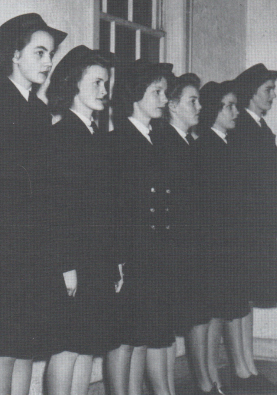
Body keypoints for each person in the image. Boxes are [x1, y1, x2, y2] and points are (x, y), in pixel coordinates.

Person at [0, 13, 66, 395]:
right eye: (39, 52)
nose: (47, 62)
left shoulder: (40, 111)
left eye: (51, 54)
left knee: (28, 348)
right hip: (2, 252)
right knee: (2, 352)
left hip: (36, 250)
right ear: (14, 55)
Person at [44, 46, 120, 395]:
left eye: (107, 83)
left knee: (88, 346)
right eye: (98, 83)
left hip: (98, 260)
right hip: (75, 261)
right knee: (67, 348)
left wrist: (115, 261)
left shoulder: (96, 136)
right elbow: (59, 208)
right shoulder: (63, 136)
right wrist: (65, 265)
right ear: (74, 83)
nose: (105, 91)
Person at [107, 61, 175, 395]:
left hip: (155, 253)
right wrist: (118, 259)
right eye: (157, 92)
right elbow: (115, 207)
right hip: (131, 254)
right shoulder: (119, 139)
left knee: (144, 338)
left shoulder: (155, 138)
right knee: (125, 340)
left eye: (164, 92)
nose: (164, 99)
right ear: (135, 96)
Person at [227, 64, 277, 394]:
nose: (273, 95)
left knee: (247, 298)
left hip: (259, 227)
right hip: (244, 229)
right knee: (239, 298)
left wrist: (274, 228)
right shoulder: (242, 129)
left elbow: (269, 186)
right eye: (268, 89)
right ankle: (240, 370)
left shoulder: (259, 128)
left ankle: (248, 366)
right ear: (252, 93)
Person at [151, 73, 203, 394]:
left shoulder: (187, 142)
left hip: (188, 249)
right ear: (172, 105)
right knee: (163, 327)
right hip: (172, 249)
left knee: (171, 326)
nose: (199, 107)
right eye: (192, 100)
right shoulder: (164, 142)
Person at [194, 80, 246, 395]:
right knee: (211, 315)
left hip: (228, 246)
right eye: (229, 105)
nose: (235, 111)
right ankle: (209, 382)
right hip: (213, 247)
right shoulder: (204, 148)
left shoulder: (226, 143)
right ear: (214, 109)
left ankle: (213, 382)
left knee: (221, 312)